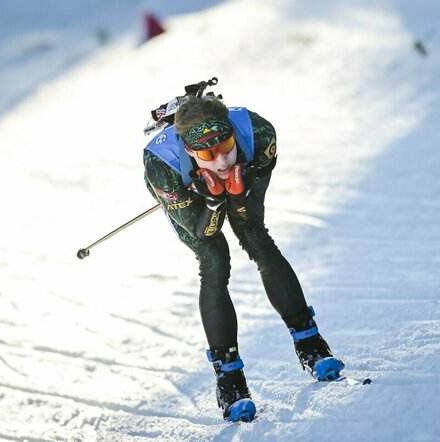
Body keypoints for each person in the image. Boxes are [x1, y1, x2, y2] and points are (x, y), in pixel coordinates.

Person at [142, 96, 344, 422]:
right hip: (186, 193)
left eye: (226, 145)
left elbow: (248, 220)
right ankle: (229, 378)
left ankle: (310, 344)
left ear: (234, 134)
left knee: (256, 238)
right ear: (191, 152)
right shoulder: (160, 164)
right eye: (208, 154)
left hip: (240, 180)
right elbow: (205, 233)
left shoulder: (258, 133)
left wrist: (235, 194)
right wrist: (209, 202)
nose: (221, 160)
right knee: (214, 261)